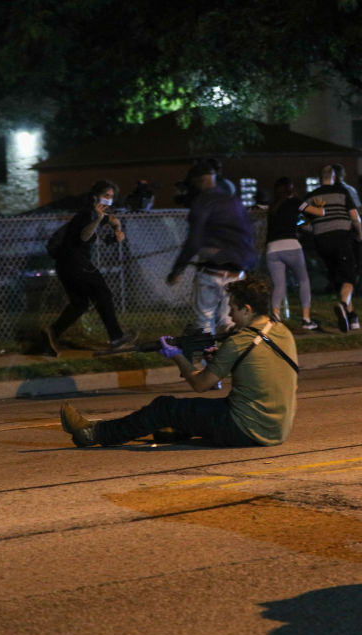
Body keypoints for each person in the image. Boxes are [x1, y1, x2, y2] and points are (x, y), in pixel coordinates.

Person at [59, 275, 297, 448]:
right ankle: (174, 431)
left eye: (233, 309)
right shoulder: (284, 333)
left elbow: (202, 385)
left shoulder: (239, 342)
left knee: (165, 407)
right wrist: (216, 359)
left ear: (247, 309)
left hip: (245, 429)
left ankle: (92, 434)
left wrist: (177, 356)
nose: (231, 315)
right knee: (194, 411)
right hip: (277, 429)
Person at [43, 180, 138, 355]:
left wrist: (116, 229)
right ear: (96, 196)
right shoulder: (88, 214)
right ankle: (117, 337)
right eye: (106, 195)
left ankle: (51, 334)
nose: (109, 199)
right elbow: (85, 236)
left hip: (66, 265)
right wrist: (99, 219)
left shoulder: (96, 214)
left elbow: (104, 235)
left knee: (80, 304)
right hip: (76, 263)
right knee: (103, 293)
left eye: (111, 196)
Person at [167, 162, 257, 334]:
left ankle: (210, 358)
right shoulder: (234, 202)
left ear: (197, 182)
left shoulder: (202, 202)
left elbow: (194, 241)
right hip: (236, 273)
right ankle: (233, 358)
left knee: (205, 322)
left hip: (211, 272)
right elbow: (249, 235)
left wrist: (177, 270)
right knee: (229, 321)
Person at [304, 165, 362, 333]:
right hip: (341, 237)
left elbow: (300, 222)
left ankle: (351, 317)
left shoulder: (310, 197)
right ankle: (343, 305)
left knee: (339, 278)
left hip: (321, 241)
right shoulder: (342, 192)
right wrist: (360, 234)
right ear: (335, 177)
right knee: (349, 277)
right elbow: (355, 217)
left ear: (318, 178)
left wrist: (314, 228)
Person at [266, 177, 325, 329]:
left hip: (272, 248)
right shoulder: (296, 202)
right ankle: (306, 319)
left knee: (279, 285)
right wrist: (319, 206)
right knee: (304, 280)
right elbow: (319, 213)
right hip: (291, 246)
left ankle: (276, 317)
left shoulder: (272, 206)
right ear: (291, 189)